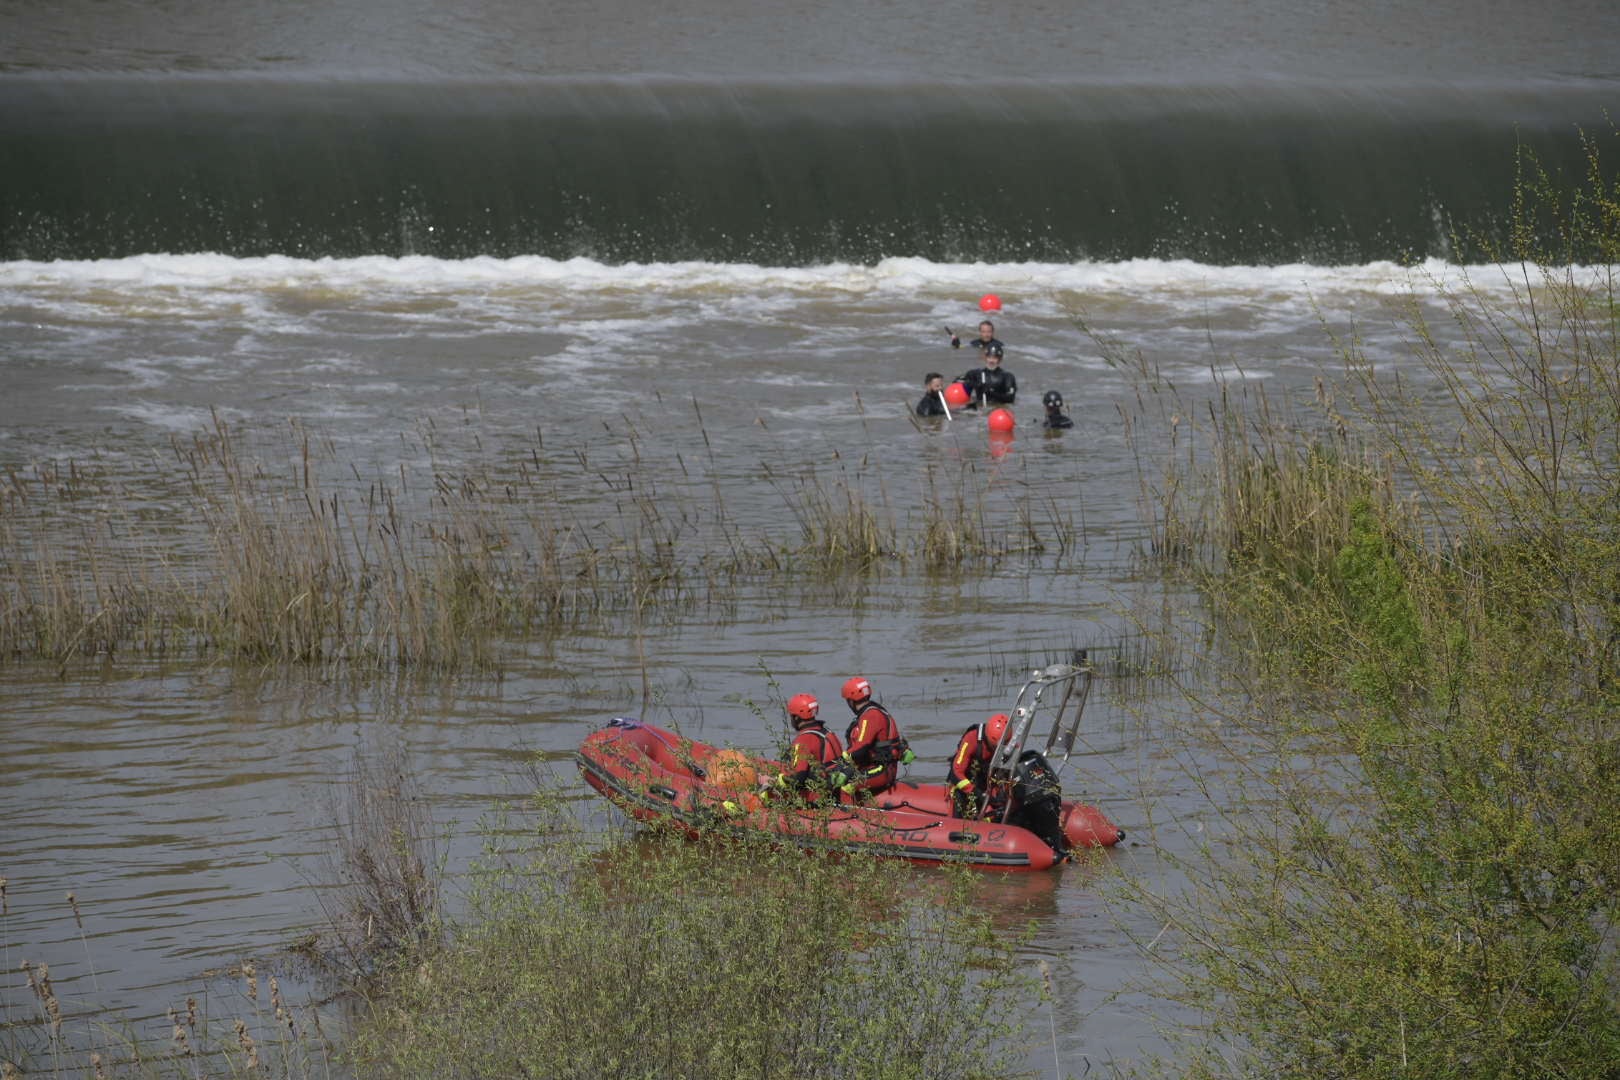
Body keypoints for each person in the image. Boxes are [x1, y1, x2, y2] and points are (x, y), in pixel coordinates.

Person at [835, 676, 912, 798]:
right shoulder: (874, 711)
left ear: (851, 700)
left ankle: (845, 815)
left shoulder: (870, 716)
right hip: (883, 769)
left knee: (845, 787)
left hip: (880, 771)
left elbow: (861, 747)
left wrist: (840, 763)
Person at [768, 693, 845, 799]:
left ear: (796, 717)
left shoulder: (803, 740)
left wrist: (778, 782)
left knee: (765, 790)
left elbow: (799, 778)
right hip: (835, 791)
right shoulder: (828, 732)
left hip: (818, 798)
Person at [946, 712, 1009, 819]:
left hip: (987, 784)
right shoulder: (971, 739)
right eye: (995, 747)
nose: (998, 750)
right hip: (968, 785)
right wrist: (976, 792)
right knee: (959, 797)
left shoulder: (1010, 743)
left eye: (1002, 747)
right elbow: (956, 772)